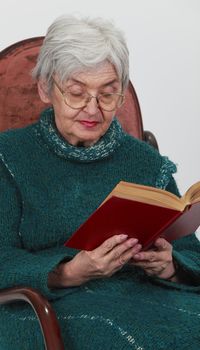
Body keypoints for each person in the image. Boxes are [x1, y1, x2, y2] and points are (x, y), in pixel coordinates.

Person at [0, 14, 200, 350]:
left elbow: (189, 252)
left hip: (145, 294)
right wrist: (66, 272)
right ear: (46, 89)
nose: (92, 109)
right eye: (77, 93)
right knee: (130, 338)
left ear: (121, 96)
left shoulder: (145, 160)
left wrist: (170, 266)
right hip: (46, 303)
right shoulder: (8, 157)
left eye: (107, 94)